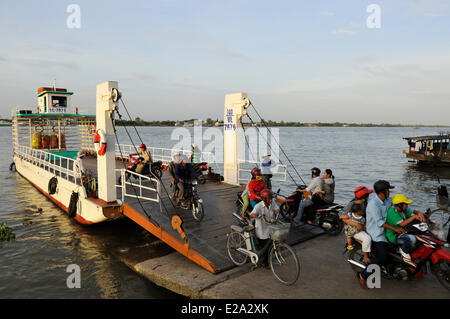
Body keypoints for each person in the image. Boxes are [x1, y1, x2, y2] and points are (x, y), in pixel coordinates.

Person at [358, 180, 403, 289]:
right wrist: (395, 229)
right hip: (377, 234)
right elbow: (380, 222)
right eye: (388, 190)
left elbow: (399, 205)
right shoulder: (373, 205)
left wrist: (417, 212)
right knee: (382, 256)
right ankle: (363, 275)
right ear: (382, 192)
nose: (389, 192)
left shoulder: (388, 200)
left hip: (387, 232)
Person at [386, 194, 425, 265]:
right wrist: (414, 217)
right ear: (400, 205)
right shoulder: (392, 212)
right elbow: (402, 224)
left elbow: (412, 215)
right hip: (394, 235)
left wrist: (420, 216)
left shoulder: (403, 210)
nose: (407, 206)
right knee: (412, 239)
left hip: (403, 232)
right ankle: (403, 251)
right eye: (406, 204)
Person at [250, 189, 279, 267]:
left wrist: (276, 210)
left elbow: (276, 208)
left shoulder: (272, 202)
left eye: (271, 198)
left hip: (271, 227)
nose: (271, 200)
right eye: (269, 198)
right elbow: (252, 214)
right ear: (264, 199)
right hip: (262, 230)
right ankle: (265, 263)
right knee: (265, 248)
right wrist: (255, 215)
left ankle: (268, 259)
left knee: (271, 244)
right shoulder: (258, 206)